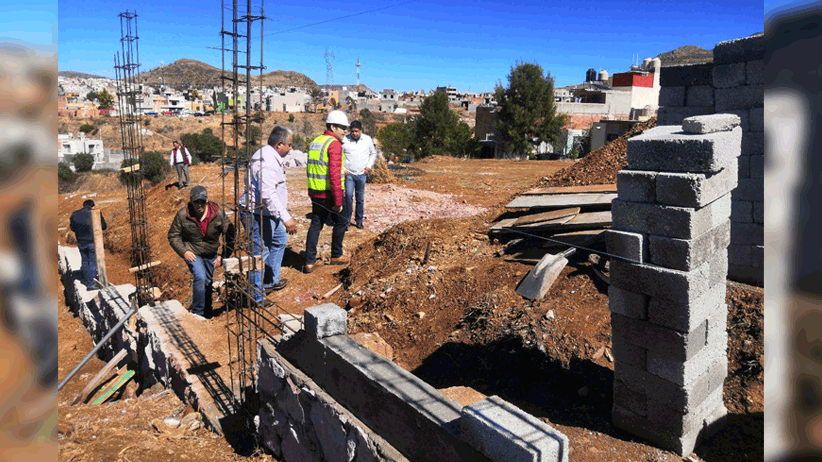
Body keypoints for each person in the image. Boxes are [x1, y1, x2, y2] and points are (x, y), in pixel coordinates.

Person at [239, 126, 298, 303]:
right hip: (255, 213)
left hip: (267, 212)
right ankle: (256, 296)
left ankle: (271, 281)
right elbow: (268, 195)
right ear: (279, 144)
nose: (291, 148)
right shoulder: (267, 162)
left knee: (279, 239)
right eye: (289, 145)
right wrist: (286, 218)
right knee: (259, 252)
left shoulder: (270, 157)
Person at [168, 186, 234, 318]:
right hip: (193, 252)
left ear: (207, 200)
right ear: (191, 201)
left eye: (202, 202)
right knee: (200, 277)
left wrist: (223, 256)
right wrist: (184, 251)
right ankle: (197, 313)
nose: (199, 205)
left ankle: (207, 312)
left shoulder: (218, 214)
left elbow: (230, 235)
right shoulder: (183, 215)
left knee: (208, 281)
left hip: (211, 253)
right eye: (196, 202)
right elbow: (173, 236)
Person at [304, 110, 350, 273]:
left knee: (316, 224)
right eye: (342, 128)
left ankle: (309, 261)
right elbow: (335, 175)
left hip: (315, 191)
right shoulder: (334, 144)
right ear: (332, 127)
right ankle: (336, 254)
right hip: (328, 193)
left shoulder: (316, 141)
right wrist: (338, 201)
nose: (345, 131)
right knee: (342, 220)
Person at [341, 120, 377, 230]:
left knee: (360, 198)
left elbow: (373, 153)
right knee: (348, 196)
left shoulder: (367, 139)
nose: (354, 133)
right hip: (349, 174)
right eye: (352, 131)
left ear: (360, 130)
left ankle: (359, 221)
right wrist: (343, 169)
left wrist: (368, 166)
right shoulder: (345, 140)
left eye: (356, 131)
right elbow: (339, 155)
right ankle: (347, 220)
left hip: (362, 174)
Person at [70, 199, 107, 289]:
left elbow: (73, 228)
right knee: (92, 261)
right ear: (92, 206)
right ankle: (90, 283)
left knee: (85, 260)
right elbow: (104, 226)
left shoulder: (74, 214)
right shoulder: (95, 213)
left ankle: (86, 278)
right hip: (92, 241)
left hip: (81, 242)